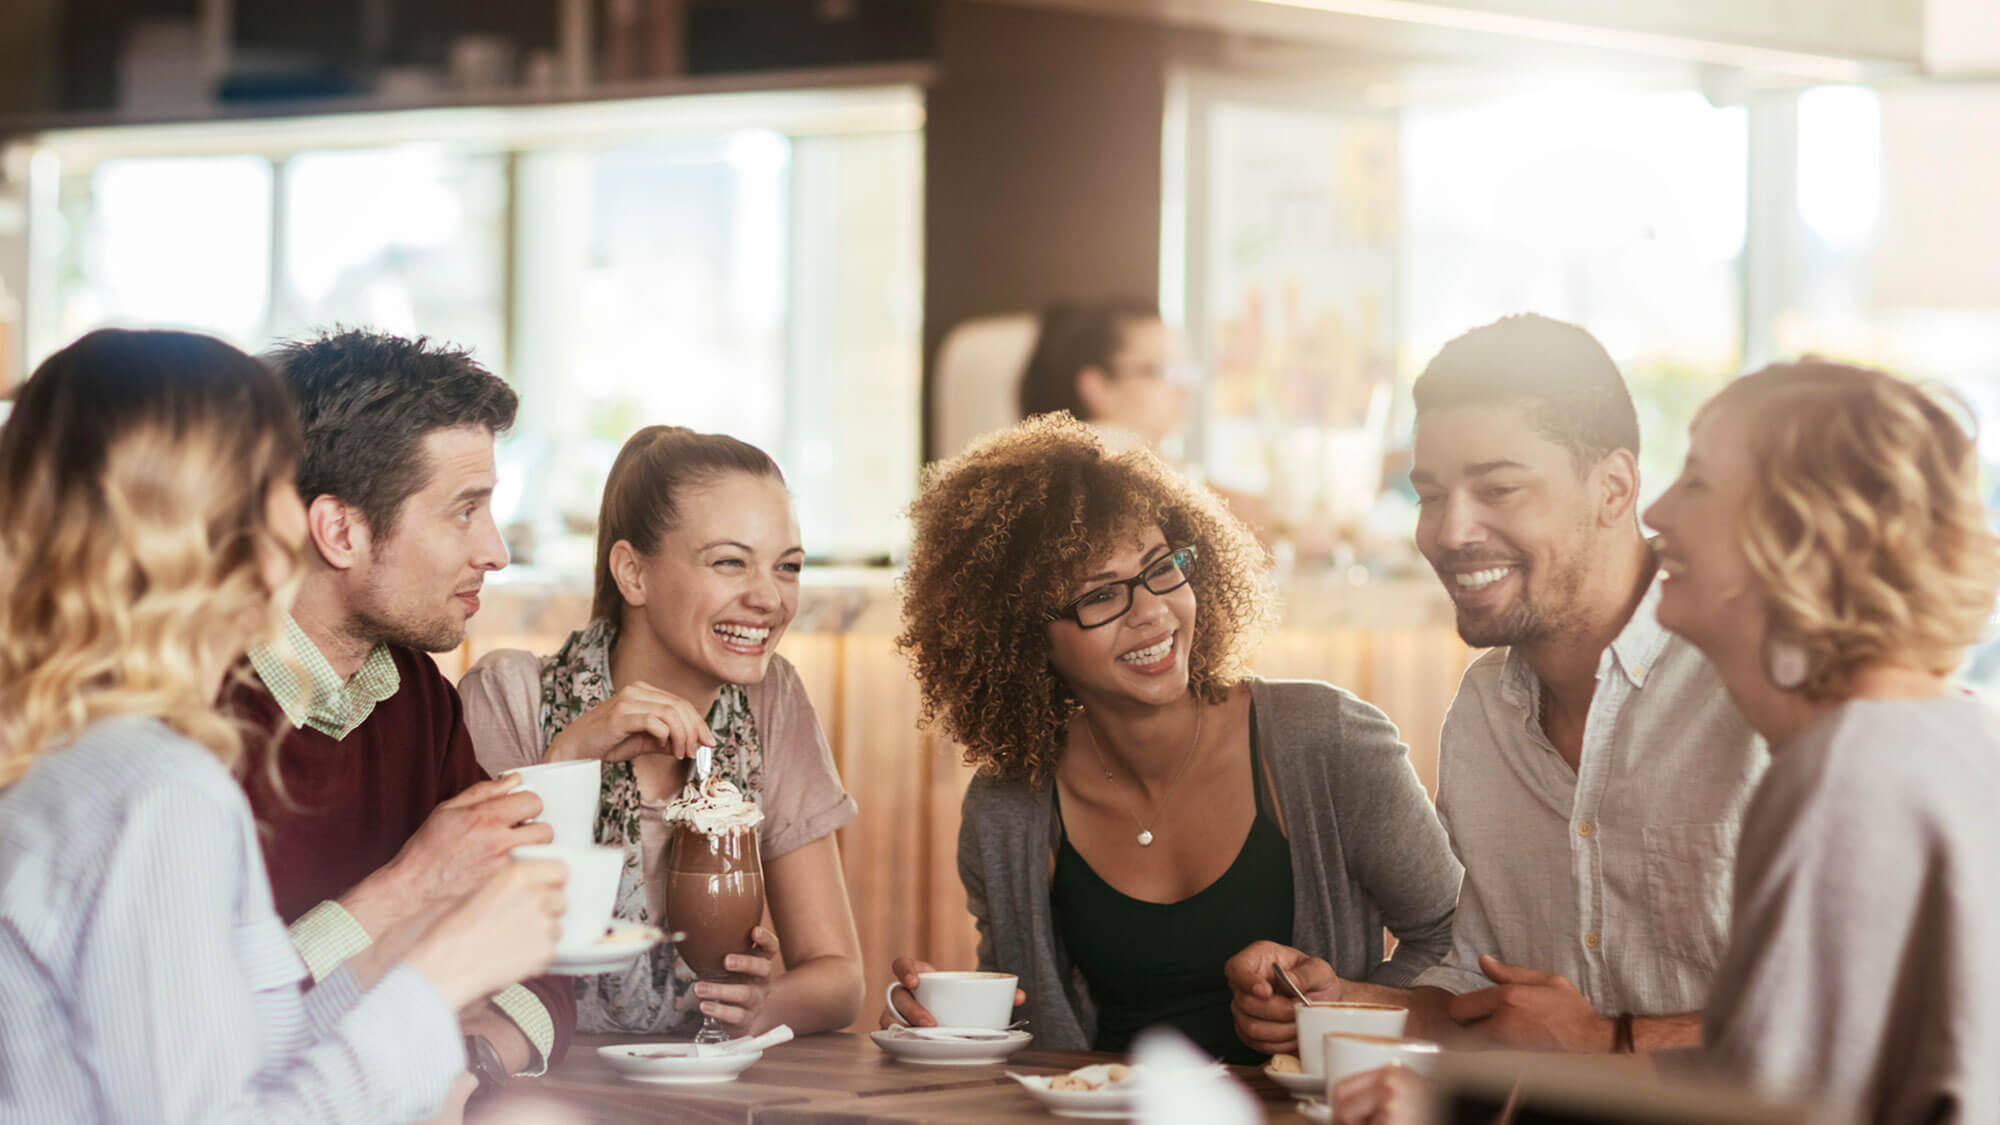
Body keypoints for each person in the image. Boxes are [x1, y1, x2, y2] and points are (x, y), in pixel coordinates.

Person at [0, 328, 564, 1123]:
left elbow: (252, 1052)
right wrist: (441, 971)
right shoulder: (156, 788)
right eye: (274, 482)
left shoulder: (96, 757)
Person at [1227, 315, 1765, 1061]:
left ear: (1614, 488)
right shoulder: (1483, 708)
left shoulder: (1752, 684)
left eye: (1499, 488)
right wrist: (1345, 1002)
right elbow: (1481, 988)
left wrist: (1611, 1042)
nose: (1451, 532)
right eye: (1430, 495)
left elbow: (1872, 1012)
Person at [879, 413, 1460, 1065]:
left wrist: (1345, 1010)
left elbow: (1454, 938)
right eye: (1101, 595)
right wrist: (934, 1023)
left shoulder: (1330, 743)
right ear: (1021, 640)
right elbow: (1027, 1015)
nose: (1152, 608)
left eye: (1162, 567)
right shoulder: (1007, 808)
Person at [1647, 361, 2000, 1123]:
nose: (1658, 509)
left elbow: (1766, 1112)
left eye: (1698, 481)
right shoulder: (1957, 733)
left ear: (1799, 532)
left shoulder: (1848, 774)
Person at [225, 329, 574, 1084]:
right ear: (340, 530)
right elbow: (201, 1037)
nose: (494, 549)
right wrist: (411, 886)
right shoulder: (193, 725)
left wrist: (470, 1056)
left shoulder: (419, 696)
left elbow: (538, 953)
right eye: (463, 510)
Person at [462, 425, 864, 1037]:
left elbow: (838, 979)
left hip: (706, 1086)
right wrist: (571, 756)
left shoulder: (771, 700)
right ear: (633, 574)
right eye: (730, 562)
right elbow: (473, 957)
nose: (769, 598)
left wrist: (763, 1008)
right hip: (536, 1082)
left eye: (787, 567)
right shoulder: (511, 696)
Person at [1017, 298, 1189, 455]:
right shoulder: (1105, 472)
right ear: (1097, 386)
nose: (1182, 388)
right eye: (1160, 371)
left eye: (1181, 370)